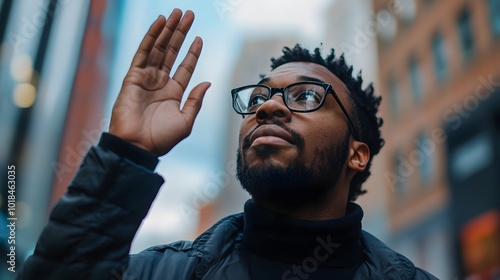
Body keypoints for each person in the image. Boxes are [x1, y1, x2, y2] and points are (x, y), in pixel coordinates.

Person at [18, 9, 438, 280]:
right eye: (258, 97)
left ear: (357, 153)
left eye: (306, 96)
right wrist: (127, 152)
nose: (268, 107)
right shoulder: (163, 273)